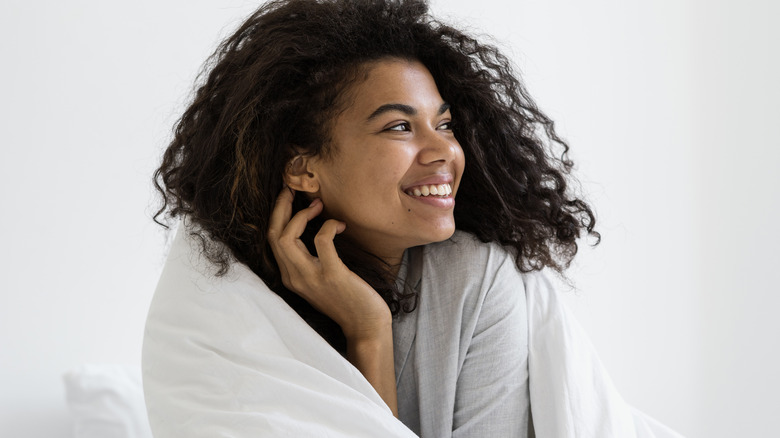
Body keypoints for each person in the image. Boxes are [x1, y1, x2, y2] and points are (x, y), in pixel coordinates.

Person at [143, 1, 681, 437]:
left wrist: (369, 331)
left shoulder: (478, 278)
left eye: (443, 123)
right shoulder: (220, 291)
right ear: (302, 167)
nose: (443, 150)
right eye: (400, 127)